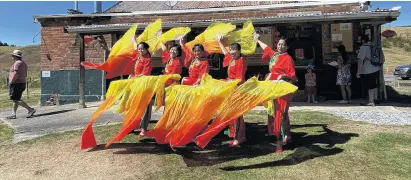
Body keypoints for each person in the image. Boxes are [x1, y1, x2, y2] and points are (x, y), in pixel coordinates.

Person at [254, 34, 297, 153]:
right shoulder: (274, 55)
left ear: (287, 47)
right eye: (279, 44)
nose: (280, 46)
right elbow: (266, 48)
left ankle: (280, 141)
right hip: (273, 87)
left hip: (283, 89)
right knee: (275, 112)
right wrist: (257, 40)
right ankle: (286, 136)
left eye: (283, 44)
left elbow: (292, 76)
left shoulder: (288, 58)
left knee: (280, 113)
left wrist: (280, 77)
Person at [217, 35, 247, 147]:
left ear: (239, 51)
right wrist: (220, 42)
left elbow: (239, 79)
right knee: (231, 114)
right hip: (230, 88)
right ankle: (236, 135)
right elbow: (225, 52)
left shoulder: (241, 61)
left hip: (237, 89)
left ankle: (239, 138)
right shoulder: (232, 59)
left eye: (234, 50)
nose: (232, 52)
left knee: (237, 114)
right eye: (231, 50)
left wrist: (227, 82)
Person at [128, 37, 153, 138]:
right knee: (134, 105)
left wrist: (136, 76)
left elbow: (146, 73)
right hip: (136, 84)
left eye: (142, 49)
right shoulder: (138, 57)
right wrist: (134, 40)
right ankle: (132, 125)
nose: (140, 50)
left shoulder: (148, 60)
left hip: (145, 85)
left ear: (147, 49)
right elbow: (134, 48)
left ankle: (144, 128)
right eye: (139, 49)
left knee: (145, 106)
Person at [6, 50, 36, 119]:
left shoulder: (17, 63)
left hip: (16, 83)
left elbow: (16, 73)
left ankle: (30, 109)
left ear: (15, 56)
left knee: (15, 99)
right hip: (22, 83)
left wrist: (11, 81)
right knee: (16, 99)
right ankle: (13, 114)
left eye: (12, 55)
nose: (12, 56)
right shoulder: (23, 63)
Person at [356, 35, 380, 106]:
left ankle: (371, 101)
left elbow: (360, 61)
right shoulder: (372, 46)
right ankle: (375, 98)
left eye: (360, 39)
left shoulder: (363, 48)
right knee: (374, 84)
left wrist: (358, 72)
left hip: (367, 69)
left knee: (369, 86)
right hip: (376, 68)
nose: (358, 41)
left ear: (363, 40)